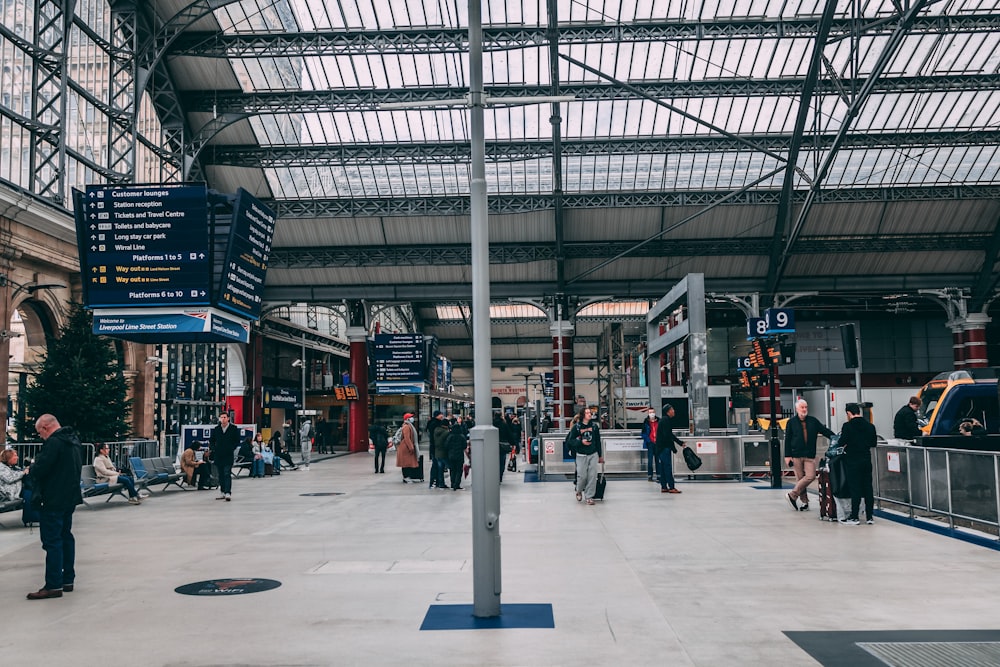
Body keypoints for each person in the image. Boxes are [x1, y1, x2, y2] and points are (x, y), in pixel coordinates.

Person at [25, 414, 83, 600]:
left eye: (39, 432)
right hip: (69, 497)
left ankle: (53, 584)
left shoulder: (54, 443)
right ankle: (68, 579)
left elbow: (41, 468)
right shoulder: (73, 441)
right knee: (66, 536)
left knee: (52, 541)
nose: (40, 436)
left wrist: (31, 468)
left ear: (46, 427)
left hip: (53, 499)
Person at [784, 399, 836, 511]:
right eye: (802, 407)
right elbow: (787, 439)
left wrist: (835, 438)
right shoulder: (791, 422)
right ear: (797, 409)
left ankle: (793, 495)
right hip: (796, 454)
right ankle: (804, 502)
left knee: (810, 476)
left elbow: (824, 431)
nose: (804, 409)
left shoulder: (813, 421)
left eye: (806, 407)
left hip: (809, 455)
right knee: (800, 479)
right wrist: (787, 456)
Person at [839, 402, 877, 525]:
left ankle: (854, 516)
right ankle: (870, 516)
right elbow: (873, 443)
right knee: (868, 488)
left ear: (849, 413)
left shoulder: (847, 426)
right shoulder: (870, 426)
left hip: (852, 460)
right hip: (866, 459)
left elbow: (841, 442)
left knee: (855, 488)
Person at [566, 408, 603, 505]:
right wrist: (580, 442)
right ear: (583, 415)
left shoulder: (594, 427)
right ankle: (579, 490)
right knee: (582, 475)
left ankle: (589, 496)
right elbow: (570, 440)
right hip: (581, 454)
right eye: (587, 413)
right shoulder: (576, 427)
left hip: (593, 453)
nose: (589, 414)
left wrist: (600, 455)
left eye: (590, 413)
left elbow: (598, 441)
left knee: (592, 475)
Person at [655, 404, 688, 494]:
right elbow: (668, 435)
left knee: (662, 468)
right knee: (667, 467)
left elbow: (669, 435)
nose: (674, 411)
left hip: (660, 448)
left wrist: (679, 443)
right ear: (668, 411)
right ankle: (671, 487)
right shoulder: (666, 420)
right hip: (664, 448)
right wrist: (674, 447)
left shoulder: (663, 420)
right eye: (672, 409)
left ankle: (664, 486)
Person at [209, 412, 240, 501]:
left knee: (227, 473)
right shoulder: (217, 429)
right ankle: (222, 491)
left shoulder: (233, 428)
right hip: (219, 455)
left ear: (228, 418)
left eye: (224, 417)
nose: (223, 419)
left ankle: (227, 492)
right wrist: (214, 448)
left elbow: (237, 440)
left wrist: (232, 448)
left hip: (228, 455)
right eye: (221, 417)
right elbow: (212, 440)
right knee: (220, 474)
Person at [395, 413, 420, 482]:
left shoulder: (408, 426)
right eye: (411, 417)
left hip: (406, 447)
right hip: (405, 448)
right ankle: (406, 477)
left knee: (407, 463)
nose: (413, 418)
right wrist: (411, 447)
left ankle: (407, 477)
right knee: (406, 463)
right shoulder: (406, 427)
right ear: (407, 419)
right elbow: (407, 438)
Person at [428, 411, 449, 489]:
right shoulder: (435, 424)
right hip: (436, 448)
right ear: (437, 415)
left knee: (437, 466)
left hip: (435, 448)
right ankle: (435, 482)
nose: (442, 416)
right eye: (441, 414)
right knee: (436, 466)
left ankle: (436, 482)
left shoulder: (433, 423)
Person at [446, 424, 467, 490]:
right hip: (459, 456)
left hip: (451, 456)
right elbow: (465, 446)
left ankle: (452, 483)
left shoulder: (450, 436)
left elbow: (446, 445)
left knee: (452, 470)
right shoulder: (462, 436)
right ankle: (457, 484)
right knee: (459, 470)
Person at [641, 409, 659, 482]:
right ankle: (650, 476)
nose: (652, 414)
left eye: (653, 412)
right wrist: (648, 440)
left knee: (658, 460)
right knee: (650, 460)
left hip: (657, 443)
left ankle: (659, 475)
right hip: (650, 443)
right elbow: (643, 433)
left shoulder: (659, 421)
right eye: (650, 412)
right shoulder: (646, 422)